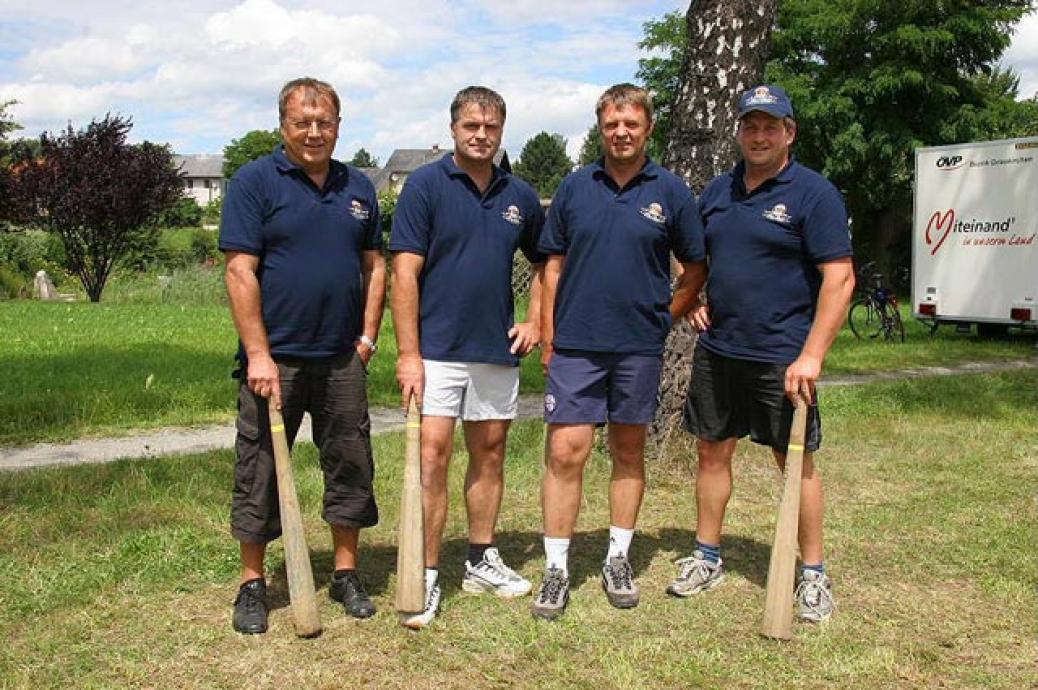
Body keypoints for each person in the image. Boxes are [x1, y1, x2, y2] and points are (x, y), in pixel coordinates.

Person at [669, 84, 854, 624]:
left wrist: (812, 356)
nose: (758, 135)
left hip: (784, 357)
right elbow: (689, 250)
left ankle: (814, 575)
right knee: (711, 453)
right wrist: (692, 297)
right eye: (750, 125)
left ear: (789, 132)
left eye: (770, 126)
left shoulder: (813, 194)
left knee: (793, 463)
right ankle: (706, 557)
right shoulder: (719, 191)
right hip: (721, 349)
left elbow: (839, 281)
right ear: (739, 131)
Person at [531, 83, 708, 621]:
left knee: (629, 453)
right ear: (600, 127)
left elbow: (695, 265)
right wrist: (548, 332)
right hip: (577, 346)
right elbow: (551, 265)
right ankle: (556, 568)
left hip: (638, 347)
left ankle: (617, 558)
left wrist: (667, 315)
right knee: (567, 453)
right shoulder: (574, 187)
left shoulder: (671, 191)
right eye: (612, 124)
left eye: (631, 123)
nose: (622, 132)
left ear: (647, 128)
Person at [220, 77, 386, 634]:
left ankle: (345, 574)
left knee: (350, 461)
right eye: (302, 121)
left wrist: (367, 338)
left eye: (325, 122)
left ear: (339, 125)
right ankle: (252, 584)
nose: (314, 132)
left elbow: (375, 265)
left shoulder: (359, 186)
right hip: (277, 362)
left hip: (342, 358)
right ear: (283, 125)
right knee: (259, 468)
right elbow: (240, 270)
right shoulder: (254, 182)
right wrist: (258, 354)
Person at [389, 86, 545, 629]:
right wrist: (408, 353)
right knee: (432, 456)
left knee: (491, 453)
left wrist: (536, 320)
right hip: (436, 351)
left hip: (495, 349)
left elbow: (547, 261)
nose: (481, 135)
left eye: (491, 127)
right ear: (454, 128)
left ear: (502, 131)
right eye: (471, 126)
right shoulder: (426, 187)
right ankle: (429, 572)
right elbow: (403, 272)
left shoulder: (519, 195)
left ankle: (480, 559)